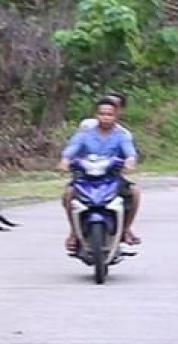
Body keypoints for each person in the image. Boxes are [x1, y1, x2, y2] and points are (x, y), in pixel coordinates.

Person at [59, 97, 138, 251]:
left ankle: (126, 229)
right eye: (102, 114)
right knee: (69, 193)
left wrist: (130, 161)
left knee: (135, 192)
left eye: (109, 114)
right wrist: (65, 160)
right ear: (96, 115)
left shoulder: (121, 136)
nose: (106, 117)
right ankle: (74, 232)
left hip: (111, 178)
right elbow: (71, 149)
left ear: (116, 116)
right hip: (85, 177)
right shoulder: (84, 135)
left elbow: (130, 153)